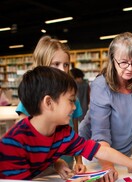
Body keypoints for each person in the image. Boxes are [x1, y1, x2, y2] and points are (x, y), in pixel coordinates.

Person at [0, 66, 132, 182]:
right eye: (70, 100)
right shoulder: (16, 142)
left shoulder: (62, 133)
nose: (74, 107)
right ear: (49, 102)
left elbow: (101, 150)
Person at [79, 32, 132, 182]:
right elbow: (100, 134)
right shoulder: (101, 86)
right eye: (124, 62)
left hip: (125, 155)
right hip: (97, 156)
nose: (130, 68)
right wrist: (107, 166)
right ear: (112, 59)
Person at [15, 36, 86, 174]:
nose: (63, 69)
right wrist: (55, 163)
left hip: (66, 168)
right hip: (38, 170)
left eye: (66, 64)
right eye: (56, 64)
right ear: (42, 65)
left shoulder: (72, 99)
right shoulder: (30, 99)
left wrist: (79, 161)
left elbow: (75, 134)